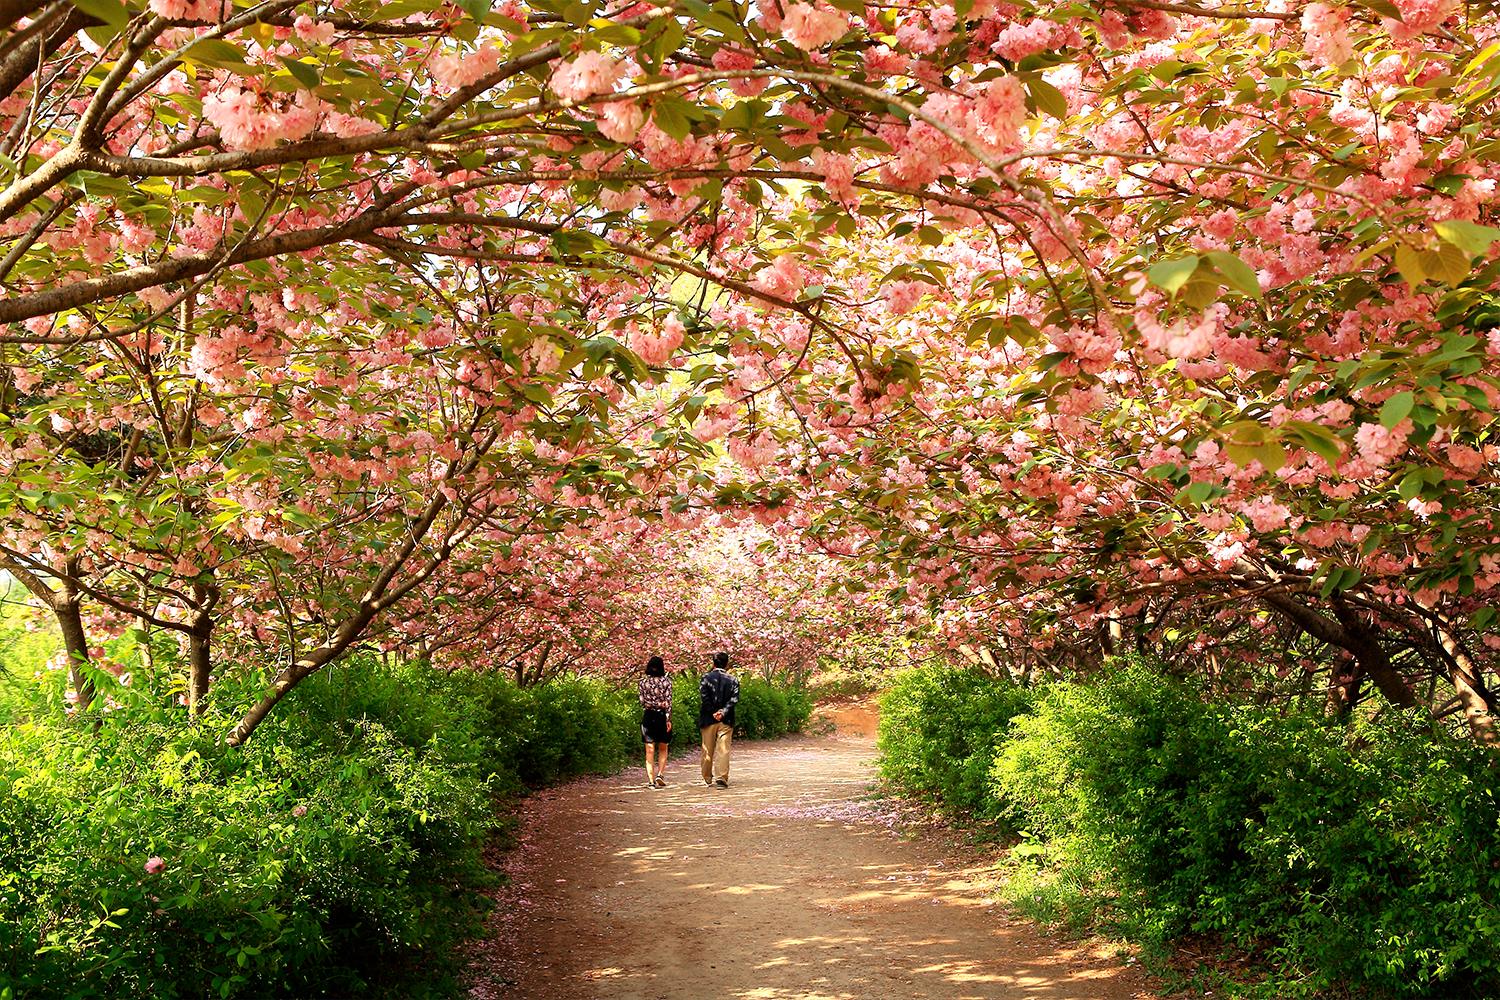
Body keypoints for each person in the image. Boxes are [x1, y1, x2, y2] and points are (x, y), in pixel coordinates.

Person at [698, 651, 739, 788]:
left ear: (713, 663)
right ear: (727, 664)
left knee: (707, 748)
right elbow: (734, 699)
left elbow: (704, 698)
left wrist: (713, 712)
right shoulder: (733, 680)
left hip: (708, 718)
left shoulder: (706, 678)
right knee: (723, 749)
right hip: (726, 719)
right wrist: (723, 712)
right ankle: (721, 777)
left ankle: (707, 777)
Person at [638, 655, 673, 788]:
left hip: (648, 716)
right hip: (662, 716)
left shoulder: (643, 683)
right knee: (663, 747)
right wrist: (668, 719)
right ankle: (660, 774)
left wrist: (652, 703)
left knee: (649, 749)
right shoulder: (667, 682)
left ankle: (651, 781)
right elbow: (668, 703)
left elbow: (642, 702)